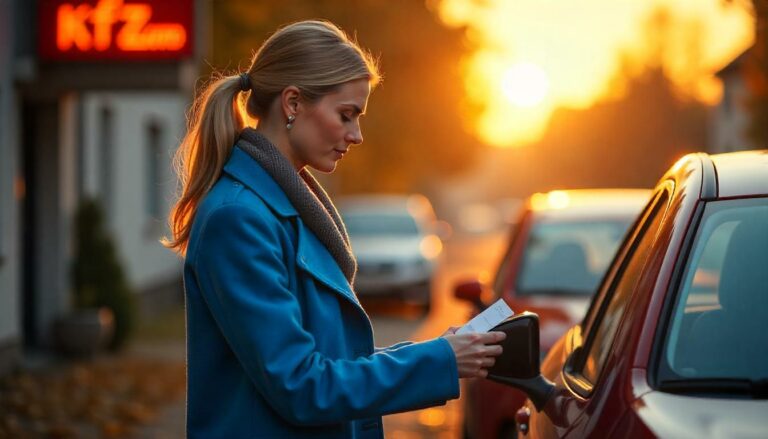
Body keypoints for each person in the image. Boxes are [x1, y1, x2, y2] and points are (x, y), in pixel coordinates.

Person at [164, 20, 505, 438]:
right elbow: (301, 385)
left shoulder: (284, 207)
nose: (357, 135)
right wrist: (438, 362)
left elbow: (329, 359)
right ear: (292, 103)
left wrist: (440, 352)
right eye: (346, 115)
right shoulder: (238, 219)